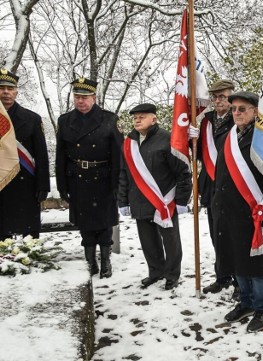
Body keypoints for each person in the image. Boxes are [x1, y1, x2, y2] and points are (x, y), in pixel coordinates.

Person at [212, 91, 263, 332]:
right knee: (236, 259)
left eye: (243, 109)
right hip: (229, 211)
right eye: (234, 109)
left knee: (257, 264)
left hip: (255, 213)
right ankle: (246, 302)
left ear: (256, 111)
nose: (237, 113)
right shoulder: (229, 137)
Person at [118, 103, 192, 290]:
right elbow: (124, 173)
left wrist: (182, 200)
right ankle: (155, 271)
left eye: (142, 116)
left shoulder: (167, 139)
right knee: (148, 242)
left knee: (170, 241)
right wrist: (123, 201)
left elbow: (183, 172)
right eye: (135, 117)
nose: (137, 119)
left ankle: (172, 275)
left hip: (164, 202)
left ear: (154, 118)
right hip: (139, 201)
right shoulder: (129, 142)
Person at [55, 77, 121, 278]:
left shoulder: (109, 119)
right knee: (85, 224)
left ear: (94, 97)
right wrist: (62, 185)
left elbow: (118, 155)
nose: (80, 101)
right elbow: (61, 156)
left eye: (84, 97)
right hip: (78, 178)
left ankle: (106, 261)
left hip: (103, 177)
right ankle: (90, 261)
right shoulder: (65, 121)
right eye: (77, 97)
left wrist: (117, 183)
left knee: (104, 222)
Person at [197, 79, 239, 298]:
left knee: (233, 235)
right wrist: (190, 140)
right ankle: (222, 277)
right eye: (215, 96)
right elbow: (198, 155)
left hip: (233, 183)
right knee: (217, 234)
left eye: (223, 96)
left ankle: (240, 282)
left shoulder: (238, 119)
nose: (218, 100)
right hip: (211, 184)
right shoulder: (206, 122)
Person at [0, 69, 50, 240]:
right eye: (1, 88)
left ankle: (30, 259)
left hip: (25, 182)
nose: (6, 92)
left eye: (10, 88)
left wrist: (43, 185)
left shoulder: (31, 119)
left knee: (28, 228)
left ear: (16, 91)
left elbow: (41, 155)